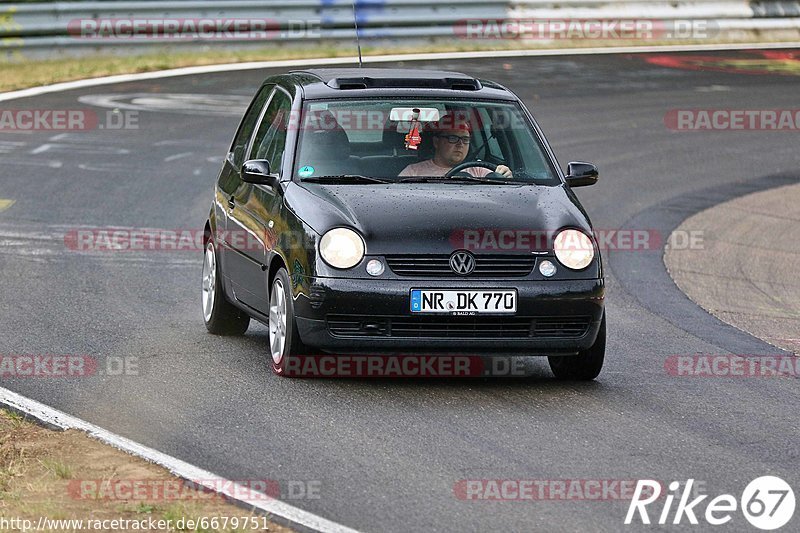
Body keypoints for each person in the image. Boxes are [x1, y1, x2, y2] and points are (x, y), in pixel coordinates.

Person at [399, 115, 513, 178]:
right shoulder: (413, 172)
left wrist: (504, 176)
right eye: (453, 138)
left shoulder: (480, 172)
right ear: (436, 142)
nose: (460, 144)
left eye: (465, 139)